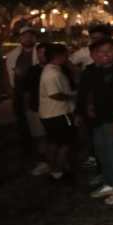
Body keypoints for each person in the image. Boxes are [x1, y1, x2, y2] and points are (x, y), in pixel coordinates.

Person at [80, 38, 113, 205]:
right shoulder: (93, 71)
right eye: (101, 52)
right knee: (102, 152)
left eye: (110, 50)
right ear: (93, 55)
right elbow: (90, 91)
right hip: (98, 119)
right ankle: (110, 183)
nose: (106, 55)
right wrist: (89, 105)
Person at [38, 44, 75, 181]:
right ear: (59, 56)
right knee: (65, 144)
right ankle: (58, 171)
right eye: (66, 55)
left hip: (50, 114)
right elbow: (54, 94)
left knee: (53, 142)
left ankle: (54, 167)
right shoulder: (52, 74)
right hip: (57, 113)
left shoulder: (51, 70)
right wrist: (72, 96)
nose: (68, 58)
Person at [5, 27, 40, 154]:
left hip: (37, 93)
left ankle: (39, 149)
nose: (28, 38)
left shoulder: (42, 52)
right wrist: (10, 90)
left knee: (37, 121)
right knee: (22, 121)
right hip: (19, 93)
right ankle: (27, 148)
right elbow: (8, 75)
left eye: (31, 36)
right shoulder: (12, 56)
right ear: (20, 38)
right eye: (25, 36)